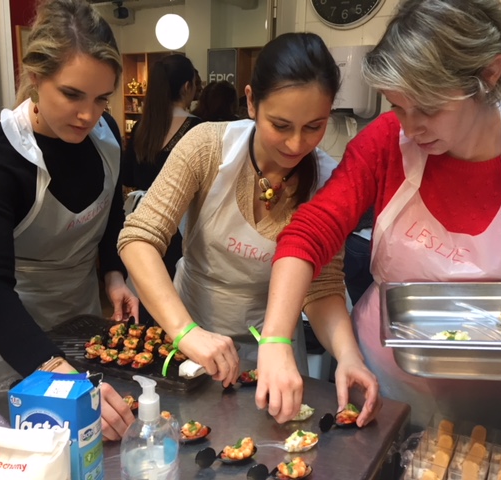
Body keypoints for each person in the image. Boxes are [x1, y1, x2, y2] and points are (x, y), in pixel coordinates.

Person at [255, 0, 501, 438]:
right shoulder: (387, 142)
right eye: (399, 107)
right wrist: (274, 341)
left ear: (489, 75)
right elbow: (309, 233)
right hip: (387, 381)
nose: (411, 126)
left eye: (429, 107)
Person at [118, 32, 380, 425]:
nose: (295, 144)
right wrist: (184, 331)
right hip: (191, 332)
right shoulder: (208, 146)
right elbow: (138, 237)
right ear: (252, 102)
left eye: (314, 126)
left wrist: (348, 356)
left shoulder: (326, 180)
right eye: (281, 124)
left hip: (272, 350)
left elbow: (322, 286)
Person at [0, 0, 138, 440]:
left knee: (84, 445)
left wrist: (114, 277)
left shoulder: (107, 137)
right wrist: (53, 370)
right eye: (72, 94)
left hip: (77, 314)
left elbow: (109, 217)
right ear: (36, 78)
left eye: (102, 99)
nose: (88, 115)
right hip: (9, 329)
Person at [121, 54, 202, 296]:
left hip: (142, 219)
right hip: (180, 224)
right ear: (187, 86)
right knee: (176, 295)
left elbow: (128, 177)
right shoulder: (198, 129)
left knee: (146, 291)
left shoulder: (141, 127)